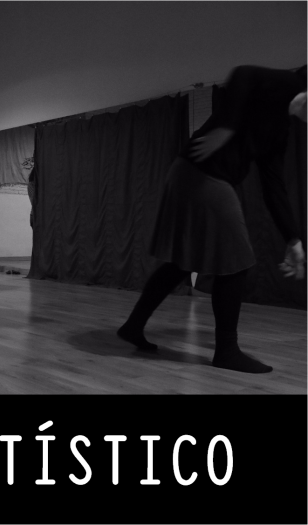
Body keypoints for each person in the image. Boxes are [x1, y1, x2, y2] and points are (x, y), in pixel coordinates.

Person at [117, 64, 308, 374]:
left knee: (184, 261)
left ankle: (133, 326)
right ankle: (226, 351)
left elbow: (274, 186)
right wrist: (227, 128)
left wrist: (293, 239)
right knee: (236, 259)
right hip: (202, 173)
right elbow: (243, 73)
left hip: (194, 173)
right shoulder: (286, 83)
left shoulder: (280, 129)